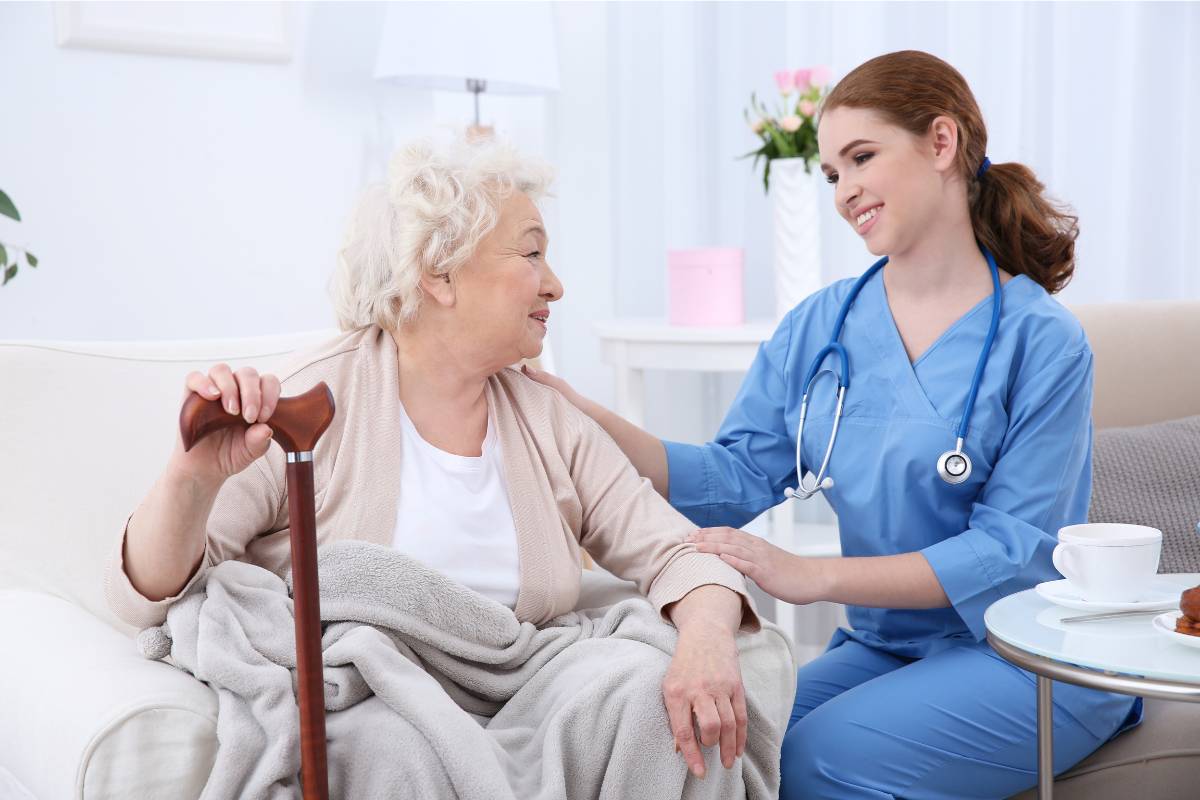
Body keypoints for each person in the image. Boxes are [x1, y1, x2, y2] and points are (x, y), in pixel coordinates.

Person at [527, 50, 1140, 798]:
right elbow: (732, 480)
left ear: (942, 144)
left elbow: (1008, 552)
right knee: (722, 744)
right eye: (831, 175)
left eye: (860, 158)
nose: (845, 192)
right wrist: (582, 417)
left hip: (1024, 654)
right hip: (886, 646)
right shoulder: (822, 325)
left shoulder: (1041, 341)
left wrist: (812, 578)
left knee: (817, 758)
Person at [103, 136, 775, 783]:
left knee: (654, 700)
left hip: (530, 687)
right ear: (440, 272)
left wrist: (706, 638)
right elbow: (148, 595)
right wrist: (191, 477)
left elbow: (678, 551)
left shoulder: (547, 417)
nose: (557, 286)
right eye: (532, 255)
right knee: (390, 748)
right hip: (376, 694)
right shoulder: (307, 403)